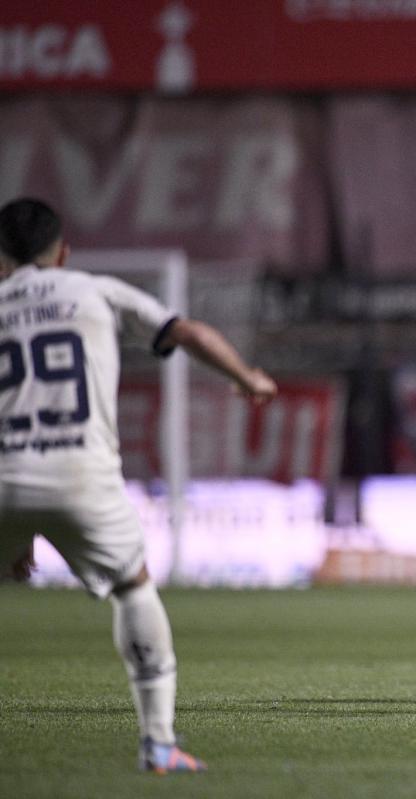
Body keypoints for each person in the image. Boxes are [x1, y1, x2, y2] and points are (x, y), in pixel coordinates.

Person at [0, 198, 278, 773]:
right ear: (64, 251)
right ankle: (157, 743)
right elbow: (187, 332)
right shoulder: (94, 289)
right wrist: (247, 377)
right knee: (133, 587)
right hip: (82, 477)